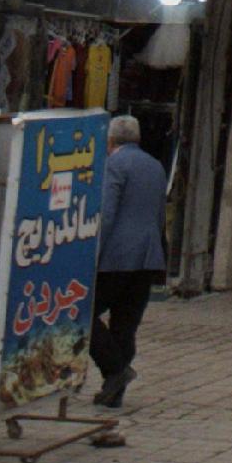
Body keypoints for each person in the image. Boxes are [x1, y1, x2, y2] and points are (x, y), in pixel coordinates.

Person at [91, 114, 167, 409]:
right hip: (147, 256)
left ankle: (115, 370)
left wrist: (94, 253)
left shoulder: (114, 165)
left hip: (117, 256)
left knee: (82, 313)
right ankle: (114, 391)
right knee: (125, 324)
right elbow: (159, 214)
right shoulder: (156, 166)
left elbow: (107, 212)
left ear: (110, 140)